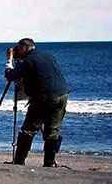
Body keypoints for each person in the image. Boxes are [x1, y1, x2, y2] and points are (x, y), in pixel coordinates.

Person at [4, 38, 70, 167]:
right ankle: (49, 162)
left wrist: (9, 60)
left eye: (18, 49)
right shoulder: (47, 56)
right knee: (53, 130)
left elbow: (11, 75)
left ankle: (19, 161)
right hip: (62, 95)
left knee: (28, 129)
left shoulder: (27, 60)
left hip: (43, 98)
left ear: (23, 48)